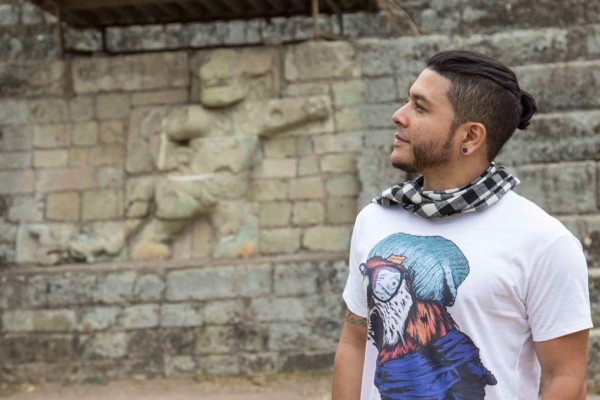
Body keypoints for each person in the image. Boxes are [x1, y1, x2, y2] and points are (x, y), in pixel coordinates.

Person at [332, 50, 592, 400]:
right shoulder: (375, 219)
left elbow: (566, 378)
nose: (398, 116)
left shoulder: (544, 242)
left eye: (420, 107)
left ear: (469, 137)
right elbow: (354, 342)